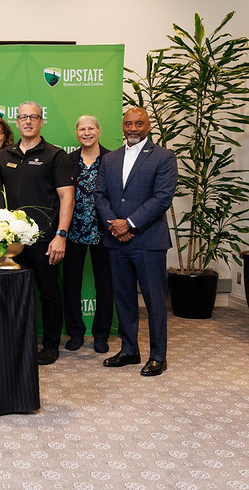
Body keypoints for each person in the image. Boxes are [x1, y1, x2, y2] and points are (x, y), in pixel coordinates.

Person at [95, 107, 177, 377]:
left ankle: (158, 356)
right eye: (128, 123)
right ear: (122, 125)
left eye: (138, 123)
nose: (132, 128)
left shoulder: (164, 157)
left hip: (148, 241)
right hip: (116, 241)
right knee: (124, 298)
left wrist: (129, 224)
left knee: (154, 301)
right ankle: (129, 350)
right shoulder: (110, 159)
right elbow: (100, 196)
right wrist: (115, 226)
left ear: (148, 126)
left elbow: (162, 198)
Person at [0, 101, 74, 366]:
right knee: (15, 294)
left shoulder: (55, 155)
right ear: (17, 122)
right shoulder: (5, 156)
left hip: (45, 239)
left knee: (49, 293)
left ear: (41, 121)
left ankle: (50, 345)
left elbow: (67, 198)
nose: (28, 121)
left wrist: (61, 235)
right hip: (13, 242)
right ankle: (18, 343)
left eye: (33, 117)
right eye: (23, 117)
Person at [63, 115, 113, 354]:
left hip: (104, 230)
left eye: (91, 128)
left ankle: (101, 335)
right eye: (81, 129)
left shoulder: (112, 159)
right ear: (77, 133)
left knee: (105, 285)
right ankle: (75, 333)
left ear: (99, 131)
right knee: (71, 285)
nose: (86, 133)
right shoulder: (68, 160)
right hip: (74, 230)